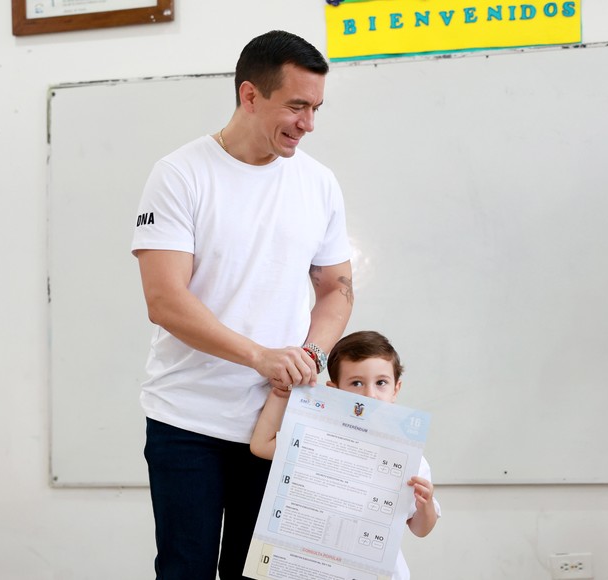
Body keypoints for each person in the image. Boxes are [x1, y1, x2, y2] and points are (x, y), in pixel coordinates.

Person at [131, 30, 355, 580]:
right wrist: (259, 356)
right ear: (250, 95)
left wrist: (309, 354)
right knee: (185, 570)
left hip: (278, 423)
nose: (308, 123)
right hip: (188, 422)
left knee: (260, 575)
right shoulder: (181, 175)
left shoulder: (319, 184)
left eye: (316, 108)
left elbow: (336, 290)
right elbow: (165, 300)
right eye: (297, 106)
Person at [250, 330, 441, 580]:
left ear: (396, 389)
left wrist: (425, 505)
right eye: (356, 383)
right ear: (334, 389)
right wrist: (280, 394)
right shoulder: (317, 439)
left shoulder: (410, 459)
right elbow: (262, 446)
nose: (370, 395)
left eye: (381, 383)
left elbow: (420, 529)